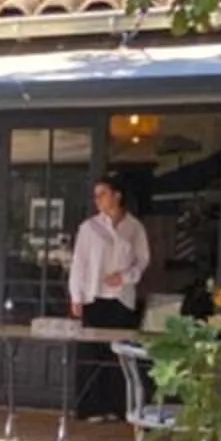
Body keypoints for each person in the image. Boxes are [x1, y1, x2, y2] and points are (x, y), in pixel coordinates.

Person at [68, 176, 150, 415]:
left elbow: (142, 261)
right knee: (92, 354)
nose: (98, 200)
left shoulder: (134, 227)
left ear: (117, 195)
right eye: (96, 195)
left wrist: (124, 277)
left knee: (118, 355)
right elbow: (79, 263)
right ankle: (90, 408)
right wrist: (76, 296)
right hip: (94, 297)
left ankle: (117, 408)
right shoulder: (89, 228)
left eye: (102, 194)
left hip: (121, 299)